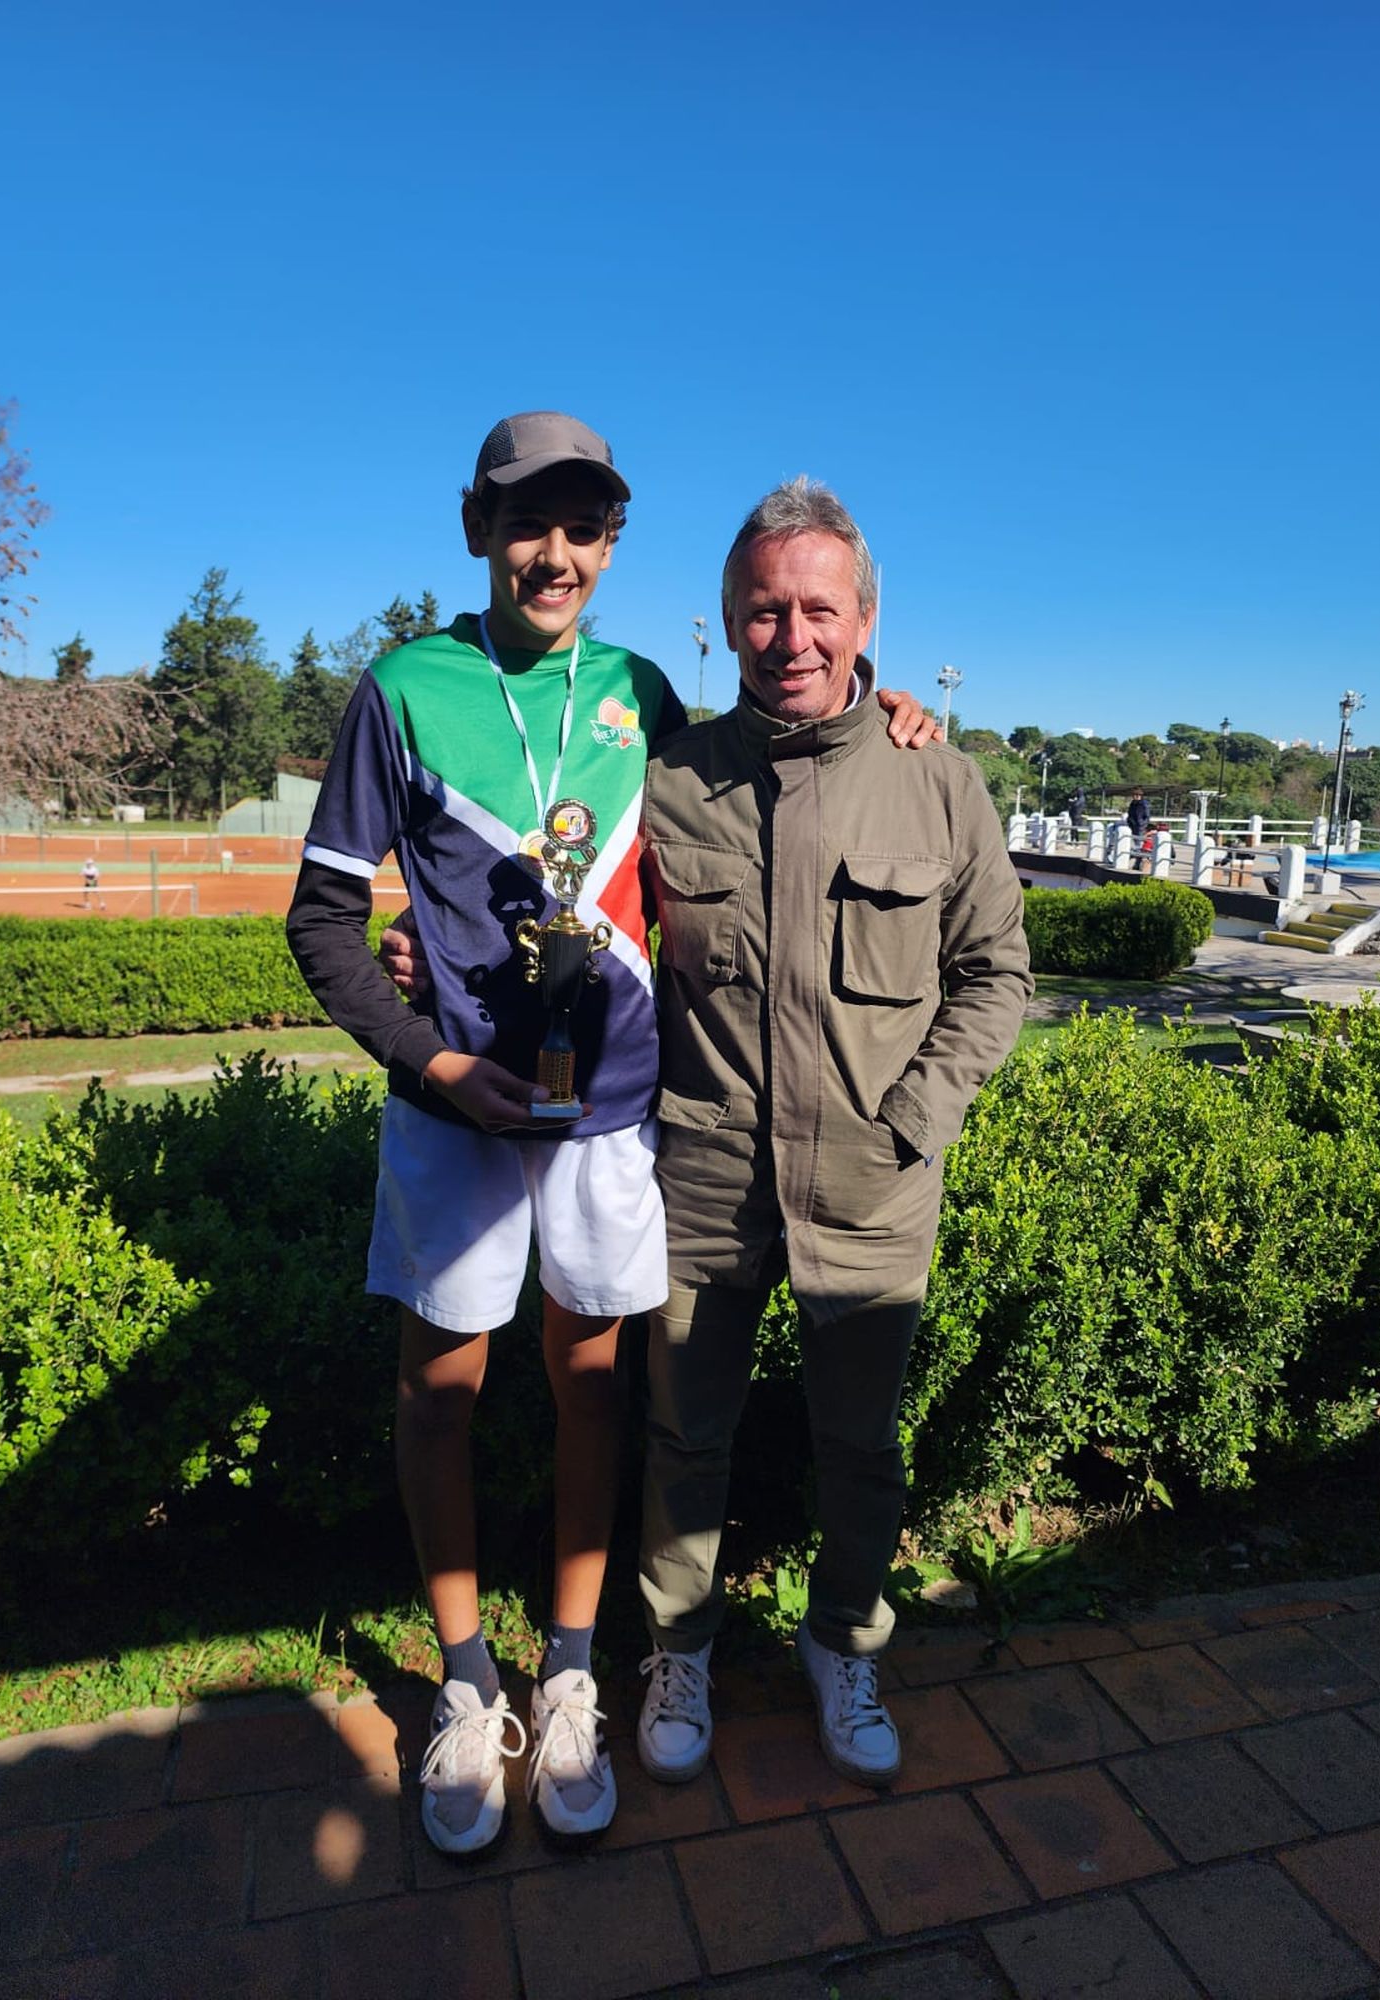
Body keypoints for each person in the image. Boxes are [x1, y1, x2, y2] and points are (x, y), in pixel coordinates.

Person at [293, 417, 936, 1854]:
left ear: (612, 547)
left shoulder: (645, 693)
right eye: (531, 522)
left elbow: (794, 745)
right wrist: (429, 1053)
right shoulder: (402, 689)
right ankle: (468, 1688)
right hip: (455, 1114)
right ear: (478, 529)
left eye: (586, 527)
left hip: (607, 1122)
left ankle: (572, 1672)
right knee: (440, 1399)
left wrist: (899, 710)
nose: (557, 552)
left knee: (596, 1397)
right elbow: (325, 920)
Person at [631, 479, 1032, 1790]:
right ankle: (676, 1646)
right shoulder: (672, 782)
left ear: (865, 621)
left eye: (817, 608)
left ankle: (842, 1642)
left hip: (870, 1189)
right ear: (729, 622)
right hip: (701, 1181)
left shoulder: (941, 783)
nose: (790, 636)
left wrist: (915, 1121)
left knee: (864, 1447)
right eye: (763, 610)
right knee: (686, 1436)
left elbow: (997, 975)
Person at [1125, 788, 1152, 869]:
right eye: (1134, 795)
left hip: (1140, 827)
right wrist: (1129, 821)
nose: (1136, 797)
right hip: (1133, 826)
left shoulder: (1143, 804)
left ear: (1141, 796)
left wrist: (1142, 824)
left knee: (1139, 845)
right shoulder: (1133, 804)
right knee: (1136, 845)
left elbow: (1146, 816)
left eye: (1138, 795)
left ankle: (1138, 863)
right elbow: (1130, 814)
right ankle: (1137, 863)